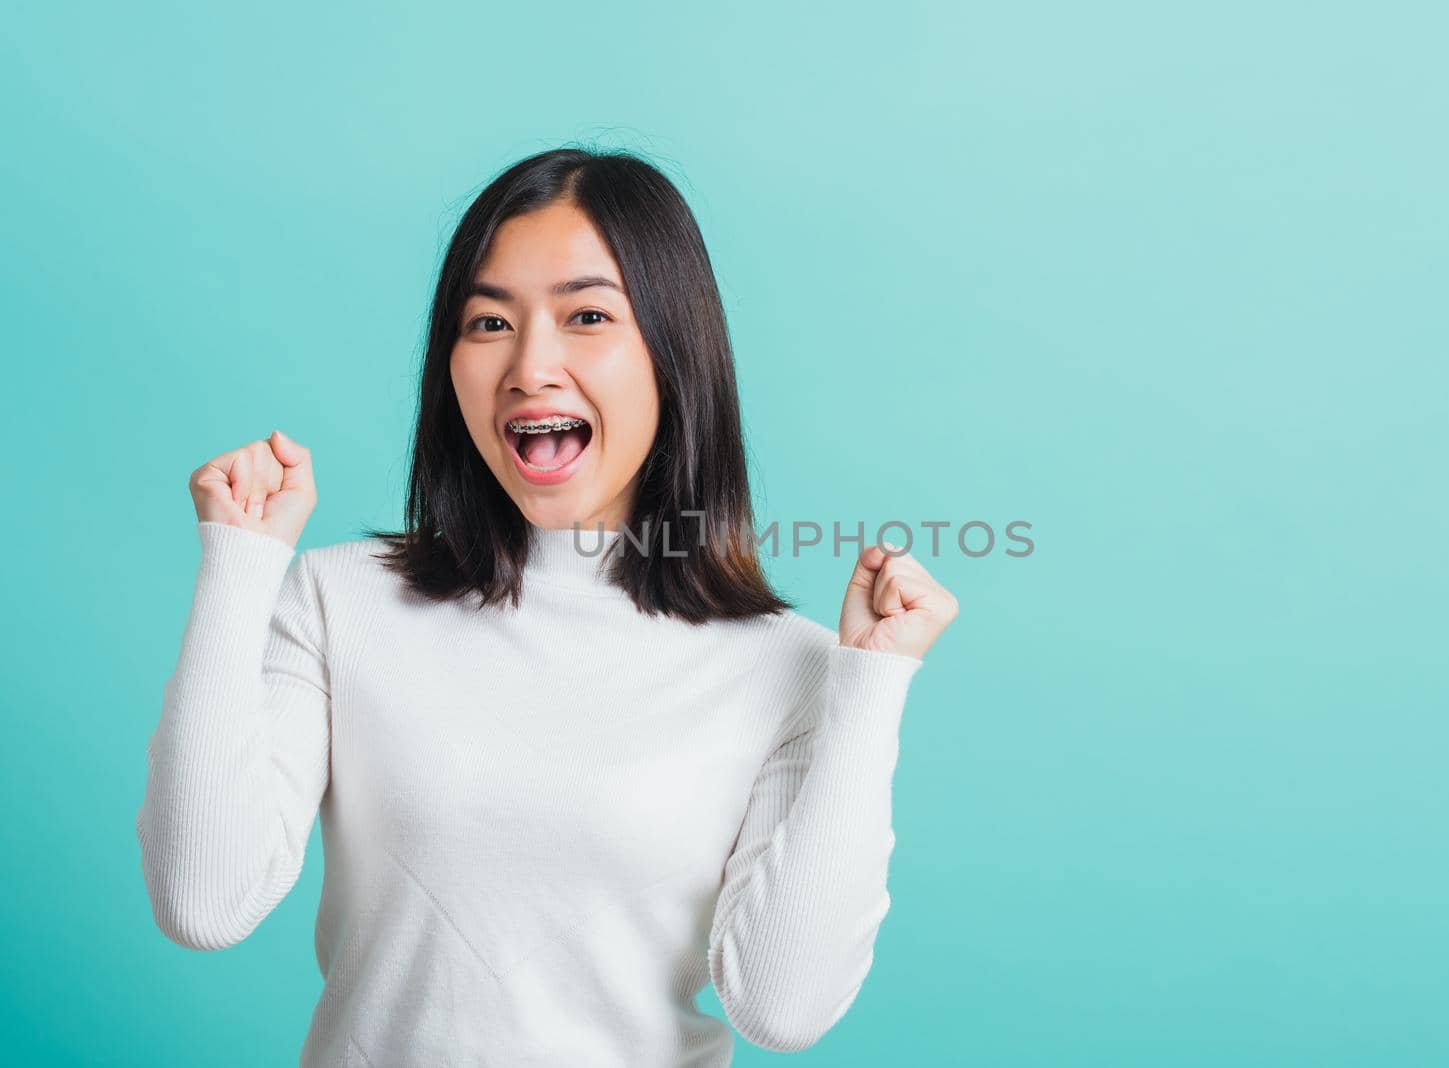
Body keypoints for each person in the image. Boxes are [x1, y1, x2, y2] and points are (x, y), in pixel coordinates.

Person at [136, 147, 959, 1067]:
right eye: (488, 321)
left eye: (588, 316)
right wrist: (241, 565)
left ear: (674, 354)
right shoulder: (338, 600)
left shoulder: (791, 664)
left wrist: (870, 689)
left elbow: (783, 1009)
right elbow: (203, 902)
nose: (530, 365)